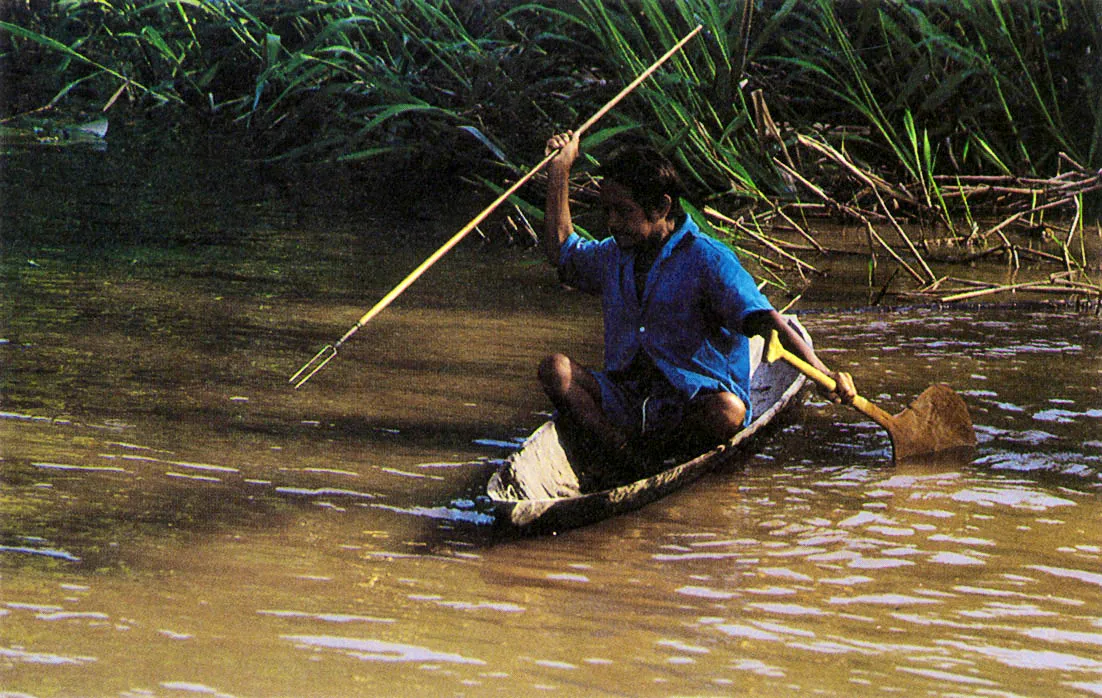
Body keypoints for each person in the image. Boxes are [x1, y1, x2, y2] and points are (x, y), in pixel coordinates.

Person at [538, 131, 855, 470]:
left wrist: (824, 375)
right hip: (628, 401)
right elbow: (564, 254)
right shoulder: (615, 255)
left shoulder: (708, 260)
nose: (612, 223)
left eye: (623, 211)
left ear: (661, 206)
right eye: (608, 211)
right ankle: (623, 452)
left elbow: (769, 323)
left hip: (688, 410)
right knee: (556, 370)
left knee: (728, 412)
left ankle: (647, 453)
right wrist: (559, 171)